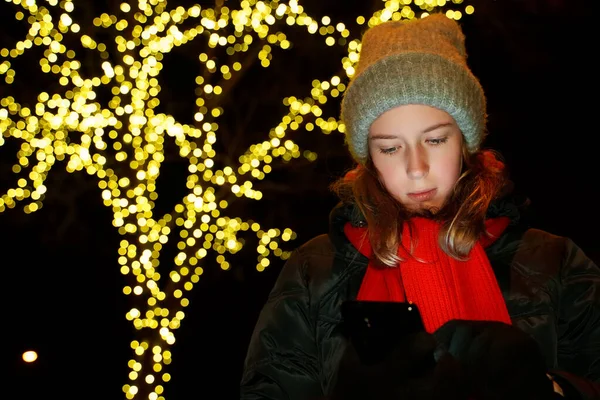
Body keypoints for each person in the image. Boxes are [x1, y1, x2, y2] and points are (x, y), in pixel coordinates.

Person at [240, 13, 600, 400]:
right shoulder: (315, 271)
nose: (415, 168)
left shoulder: (555, 262)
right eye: (391, 147)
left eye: (435, 140)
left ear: (464, 141)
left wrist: (551, 390)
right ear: (369, 159)